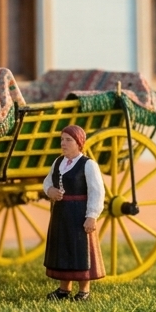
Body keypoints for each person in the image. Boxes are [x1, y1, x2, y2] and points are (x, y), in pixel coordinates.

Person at [43, 124, 104, 300]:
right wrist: (50, 191)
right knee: (64, 249)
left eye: (68, 140)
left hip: (79, 214)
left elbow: (97, 191)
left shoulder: (88, 165)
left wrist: (91, 216)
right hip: (61, 214)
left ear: (79, 143)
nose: (63, 143)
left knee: (80, 250)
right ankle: (64, 289)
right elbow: (47, 182)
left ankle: (84, 290)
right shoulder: (58, 162)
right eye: (62, 139)